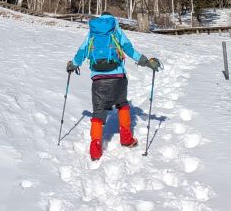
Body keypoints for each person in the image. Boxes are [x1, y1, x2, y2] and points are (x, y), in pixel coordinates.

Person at [67, 12, 161, 161]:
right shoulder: (115, 29)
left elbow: (82, 51)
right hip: (118, 77)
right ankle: (126, 139)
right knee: (122, 104)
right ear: (112, 19)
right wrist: (145, 61)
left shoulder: (93, 31)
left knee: (98, 112)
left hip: (98, 79)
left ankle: (95, 149)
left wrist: (73, 65)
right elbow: (128, 48)